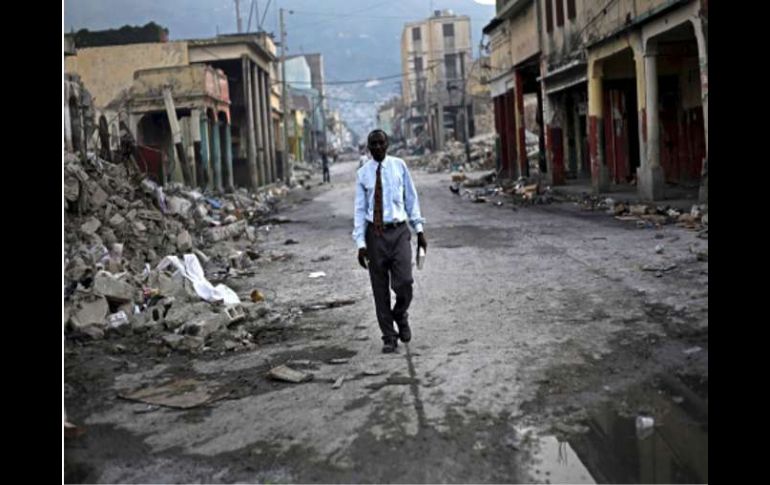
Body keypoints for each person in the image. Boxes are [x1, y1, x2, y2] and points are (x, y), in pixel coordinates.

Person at [353, 129, 427, 353]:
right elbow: (359, 210)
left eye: (380, 143)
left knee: (404, 282)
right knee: (379, 288)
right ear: (368, 147)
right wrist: (360, 245)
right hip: (374, 235)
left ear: (387, 144)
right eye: (372, 144)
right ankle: (388, 336)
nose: (376, 148)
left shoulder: (399, 166)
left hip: (398, 232)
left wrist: (420, 230)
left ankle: (400, 314)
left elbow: (411, 199)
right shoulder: (363, 174)